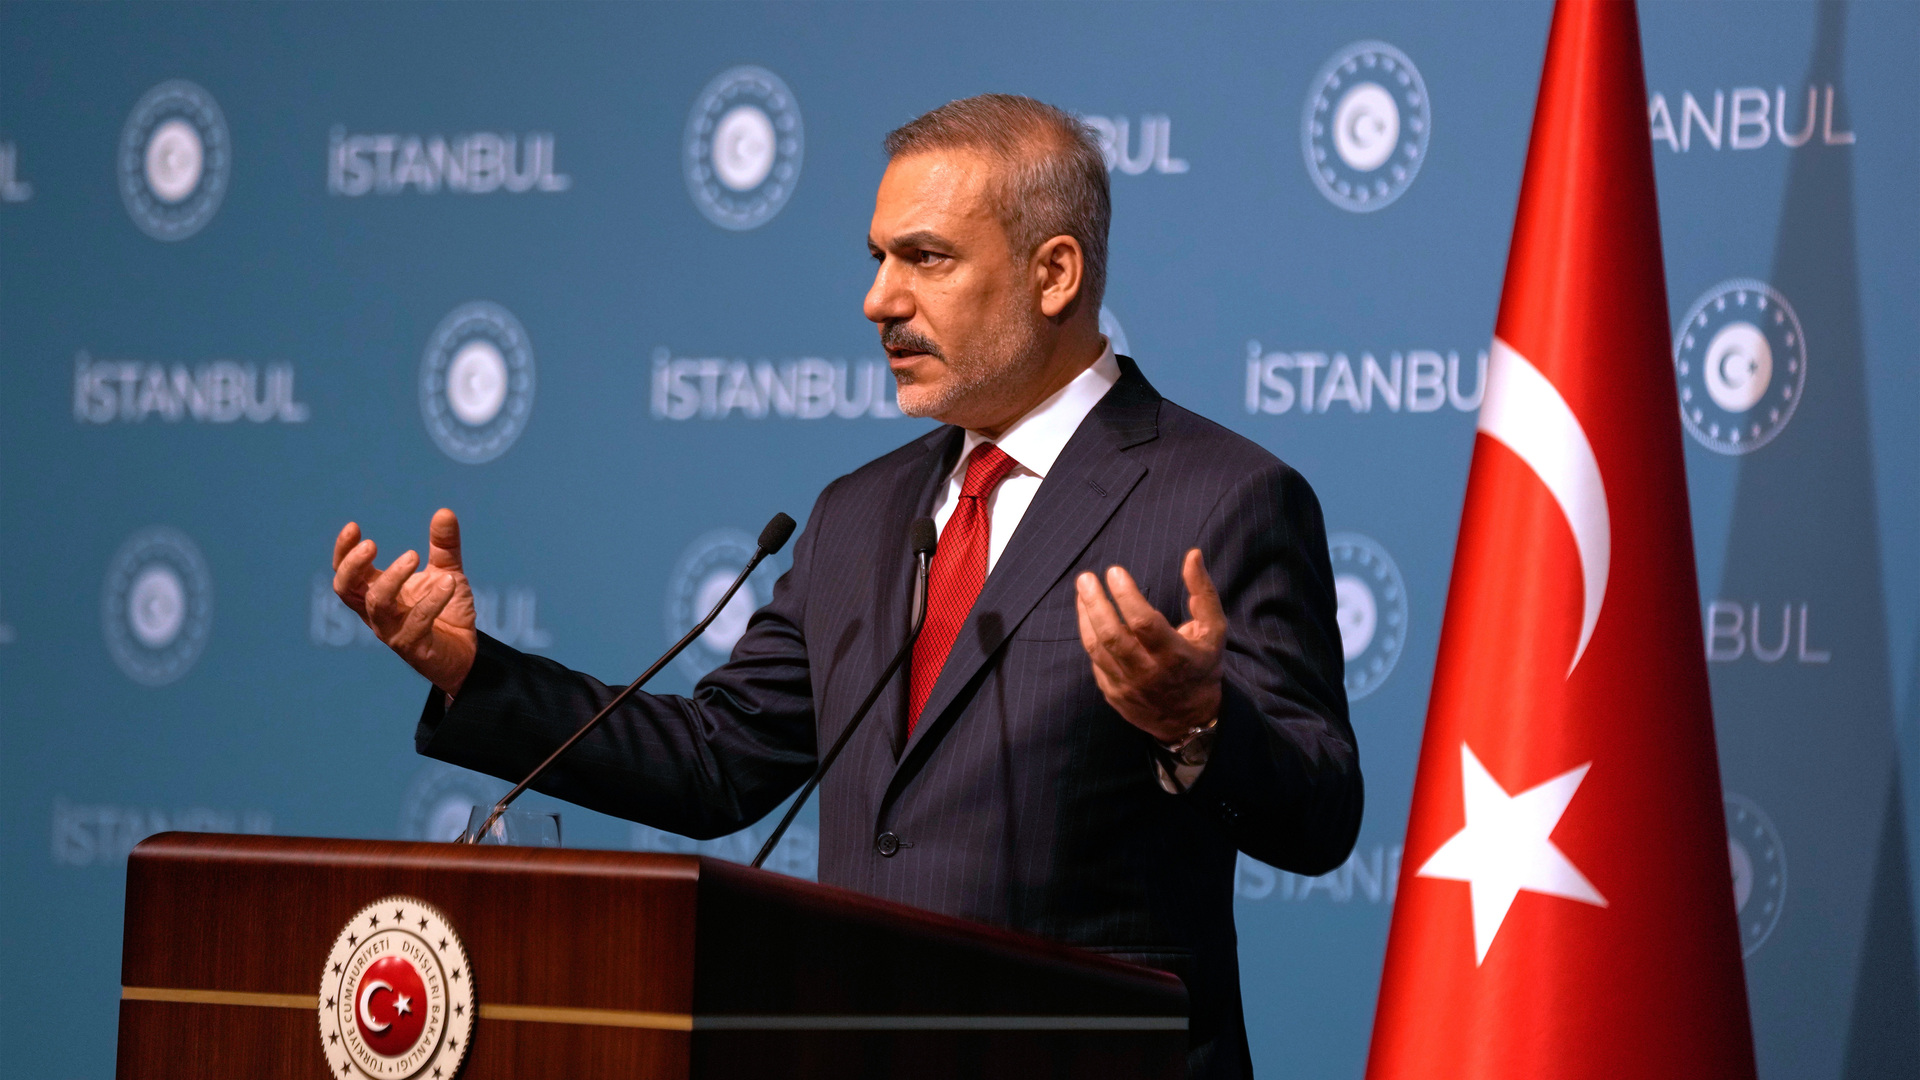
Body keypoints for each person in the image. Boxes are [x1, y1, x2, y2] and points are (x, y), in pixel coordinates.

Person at [332, 94, 1360, 1079]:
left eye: (926, 258)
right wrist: (474, 673)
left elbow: (1321, 812)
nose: (880, 301)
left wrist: (1197, 724)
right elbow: (715, 762)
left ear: (1054, 273)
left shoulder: (1223, 498)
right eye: (878, 259)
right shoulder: (860, 513)